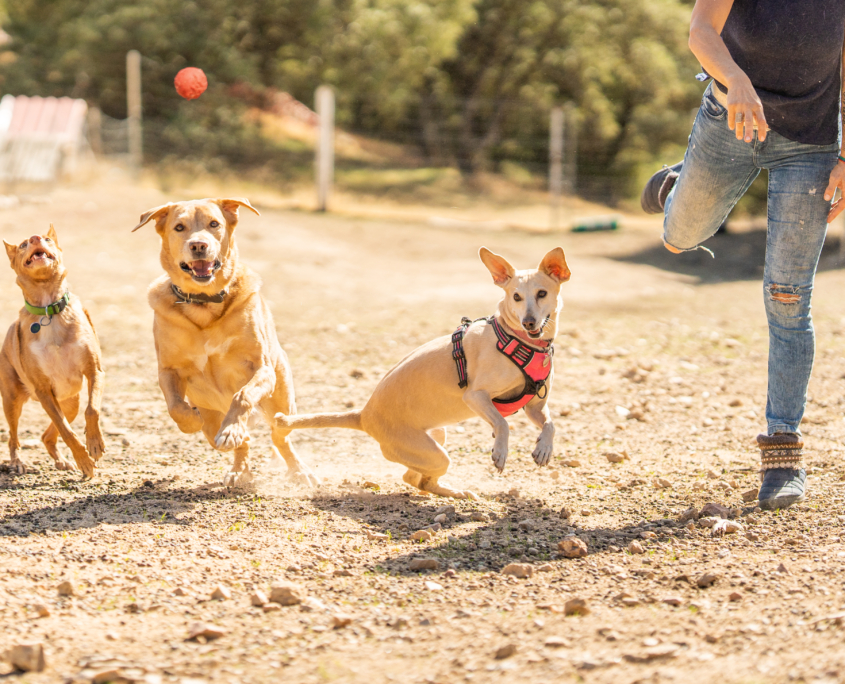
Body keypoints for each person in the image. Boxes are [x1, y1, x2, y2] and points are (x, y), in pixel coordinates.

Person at [640, 0, 845, 510]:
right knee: (679, 238)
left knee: (788, 298)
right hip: (728, 120)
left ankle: (783, 456)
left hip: (809, 145)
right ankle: (675, 188)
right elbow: (701, 31)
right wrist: (735, 78)